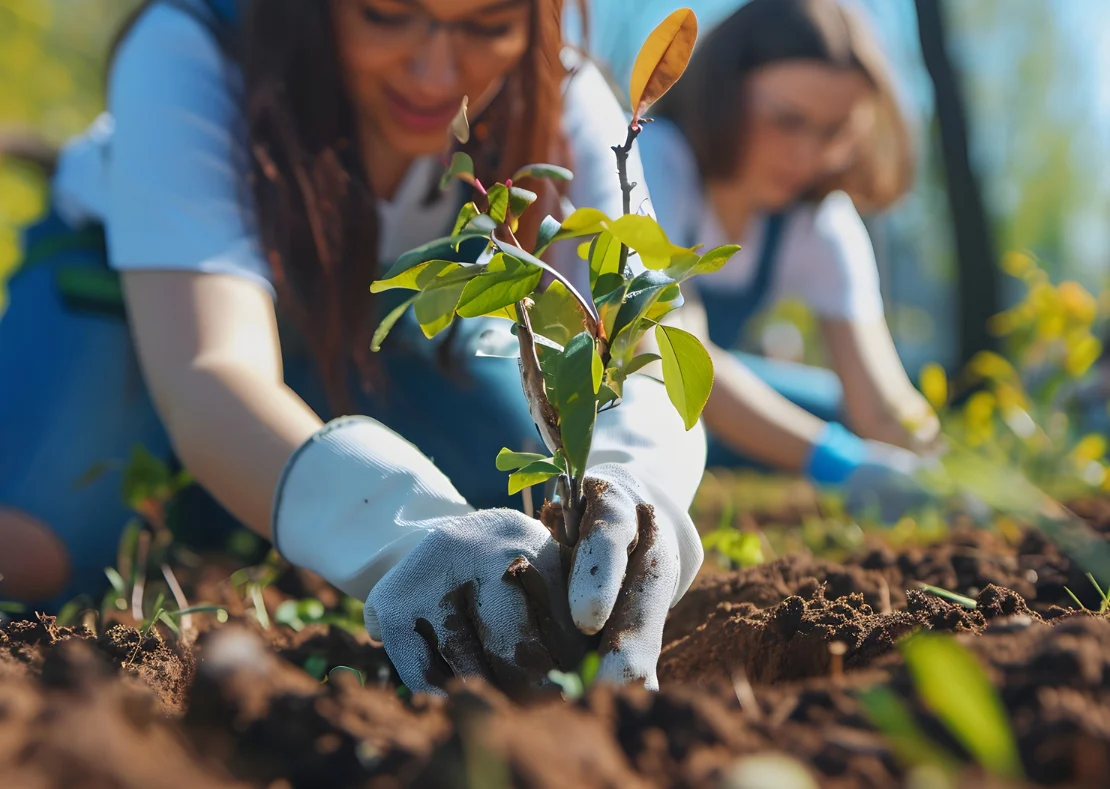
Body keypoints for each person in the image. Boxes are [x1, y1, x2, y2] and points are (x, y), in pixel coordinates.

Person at [0, 0, 706, 695]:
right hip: (137, 305)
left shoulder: (564, 93)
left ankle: (242, 494)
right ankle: (202, 488)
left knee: (516, 470)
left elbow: (645, 328)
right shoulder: (194, 45)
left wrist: (638, 494)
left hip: (362, 331)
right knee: (36, 555)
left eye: (488, 25)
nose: (435, 73)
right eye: (386, 14)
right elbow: (213, 368)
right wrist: (411, 533)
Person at [637, 0, 939, 520]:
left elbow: (880, 400)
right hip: (629, 394)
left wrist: (948, 470)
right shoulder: (655, 161)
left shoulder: (816, 220)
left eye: (834, 131)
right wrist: (838, 462)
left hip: (704, 411)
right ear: (725, 96)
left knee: (829, 404)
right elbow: (674, 352)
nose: (807, 157)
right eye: (787, 120)